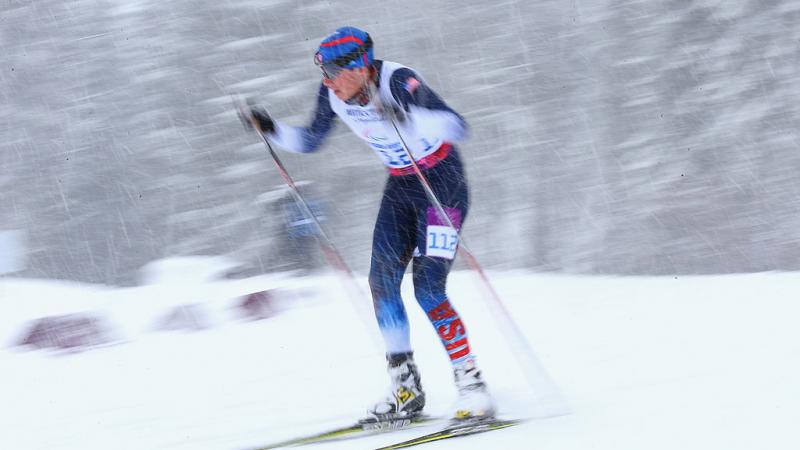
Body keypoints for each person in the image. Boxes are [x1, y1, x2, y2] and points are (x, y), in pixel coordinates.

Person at [240, 26, 495, 421]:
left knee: (428, 290)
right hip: (401, 185)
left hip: (442, 184)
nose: (328, 83)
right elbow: (310, 141)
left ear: (359, 67)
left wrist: (409, 116)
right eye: (323, 74)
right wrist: (270, 128)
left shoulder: (399, 80)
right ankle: (405, 390)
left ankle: (472, 384)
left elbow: (457, 126)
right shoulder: (332, 94)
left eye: (333, 73)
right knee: (381, 284)